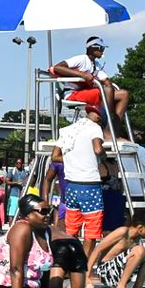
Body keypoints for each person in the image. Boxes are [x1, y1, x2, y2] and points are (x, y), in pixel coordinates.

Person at [84, 208, 145, 288]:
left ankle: (137, 287)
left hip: (118, 272)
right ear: (140, 228)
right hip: (106, 272)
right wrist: (87, 276)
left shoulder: (137, 238)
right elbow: (97, 249)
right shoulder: (122, 232)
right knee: (139, 250)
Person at [58, 107, 106, 255]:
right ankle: (85, 267)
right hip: (89, 184)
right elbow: (98, 150)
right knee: (91, 231)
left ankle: (70, 262)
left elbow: (55, 155)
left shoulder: (66, 130)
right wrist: (103, 156)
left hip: (71, 185)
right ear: (98, 117)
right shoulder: (95, 128)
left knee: (71, 229)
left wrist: (74, 159)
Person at [51, 36, 129, 123]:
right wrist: (82, 74)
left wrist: (108, 85)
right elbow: (57, 67)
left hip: (85, 92)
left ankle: (114, 128)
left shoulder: (96, 64)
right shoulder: (81, 59)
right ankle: (106, 124)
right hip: (72, 94)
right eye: (101, 47)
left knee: (123, 94)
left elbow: (106, 81)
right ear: (91, 47)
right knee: (105, 92)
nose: (103, 50)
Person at [5, 157, 30, 222]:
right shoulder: (12, 171)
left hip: (23, 194)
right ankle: (10, 228)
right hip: (14, 194)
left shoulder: (25, 172)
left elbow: (29, 181)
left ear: (22, 164)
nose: (19, 164)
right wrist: (15, 183)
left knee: (21, 213)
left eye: (20, 163)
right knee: (11, 213)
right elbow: (7, 181)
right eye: (17, 163)